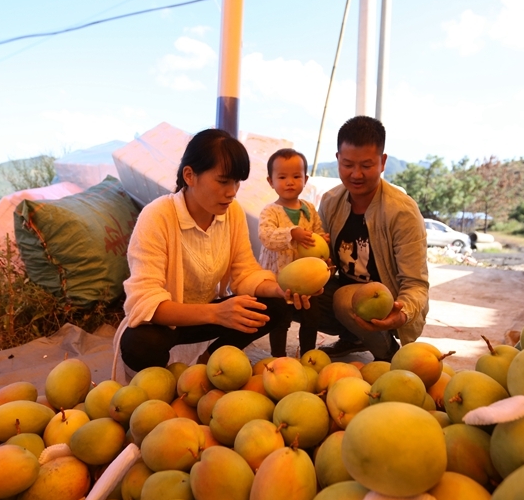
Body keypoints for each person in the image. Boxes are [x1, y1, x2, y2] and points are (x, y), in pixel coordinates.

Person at [114, 128, 310, 376]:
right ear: (190, 175)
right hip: (169, 322)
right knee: (140, 345)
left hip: (208, 315)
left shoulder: (232, 213)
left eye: (237, 182)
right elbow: (143, 302)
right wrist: (217, 313)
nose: (232, 191)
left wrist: (281, 289)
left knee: (275, 305)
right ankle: (159, 382)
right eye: (223, 181)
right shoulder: (158, 216)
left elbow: (244, 272)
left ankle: (210, 365)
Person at [309, 115, 430, 361]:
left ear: (383, 162)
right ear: (337, 160)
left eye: (366, 165)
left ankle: (388, 353)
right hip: (347, 293)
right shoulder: (331, 201)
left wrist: (402, 312)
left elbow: (416, 283)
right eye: (347, 164)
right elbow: (323, 261)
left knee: (346, 299)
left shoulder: (401, 211)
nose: (356, 174)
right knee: (297, 291)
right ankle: (353, 337)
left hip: (386, 302)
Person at [258, 148, 329, 357]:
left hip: (308, 278)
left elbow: (317, 232)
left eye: (296, 176)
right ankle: (278, 356)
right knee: (280, 318)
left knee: (311, 317)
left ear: (305, 179)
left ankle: (308, 354)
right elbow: (267, 236)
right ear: (270, 181)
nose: (290, 182)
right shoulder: (270, 211)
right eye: (282, 177)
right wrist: (292, 233)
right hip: (279, 279)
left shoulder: (309, 208)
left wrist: (322, 240)